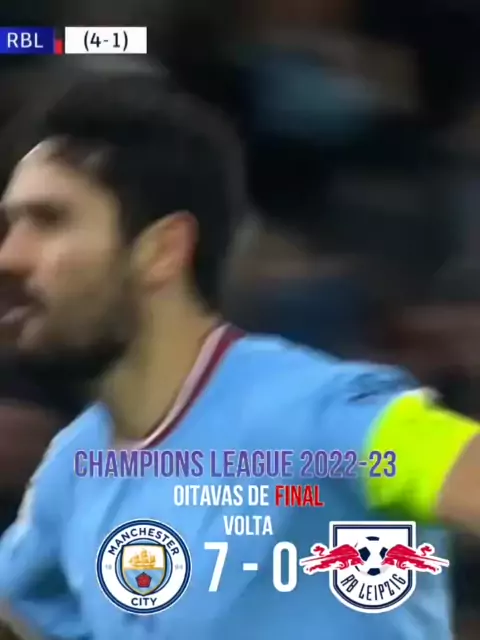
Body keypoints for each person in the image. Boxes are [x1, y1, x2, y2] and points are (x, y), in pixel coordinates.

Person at [0, 64, 478, 640]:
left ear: (160, 251)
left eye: (49, 221)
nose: (10, 256)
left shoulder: (320, 415)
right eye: (10, 225)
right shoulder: (76, 466)